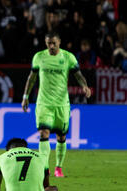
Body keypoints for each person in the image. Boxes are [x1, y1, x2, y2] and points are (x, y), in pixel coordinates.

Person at [21, 31, 91, 178]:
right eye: (48, 43)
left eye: (54, 43)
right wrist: (25, 96)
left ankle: (58, 168)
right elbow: (32, 77)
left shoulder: (68, 57)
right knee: (43, 133)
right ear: (46, 43)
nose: (51, 46)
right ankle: (44, 167)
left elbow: (78, 74)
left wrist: (84, 86)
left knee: (61, 136)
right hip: (44, 103)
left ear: (59, 42)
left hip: (62, 104)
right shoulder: (39, 57)